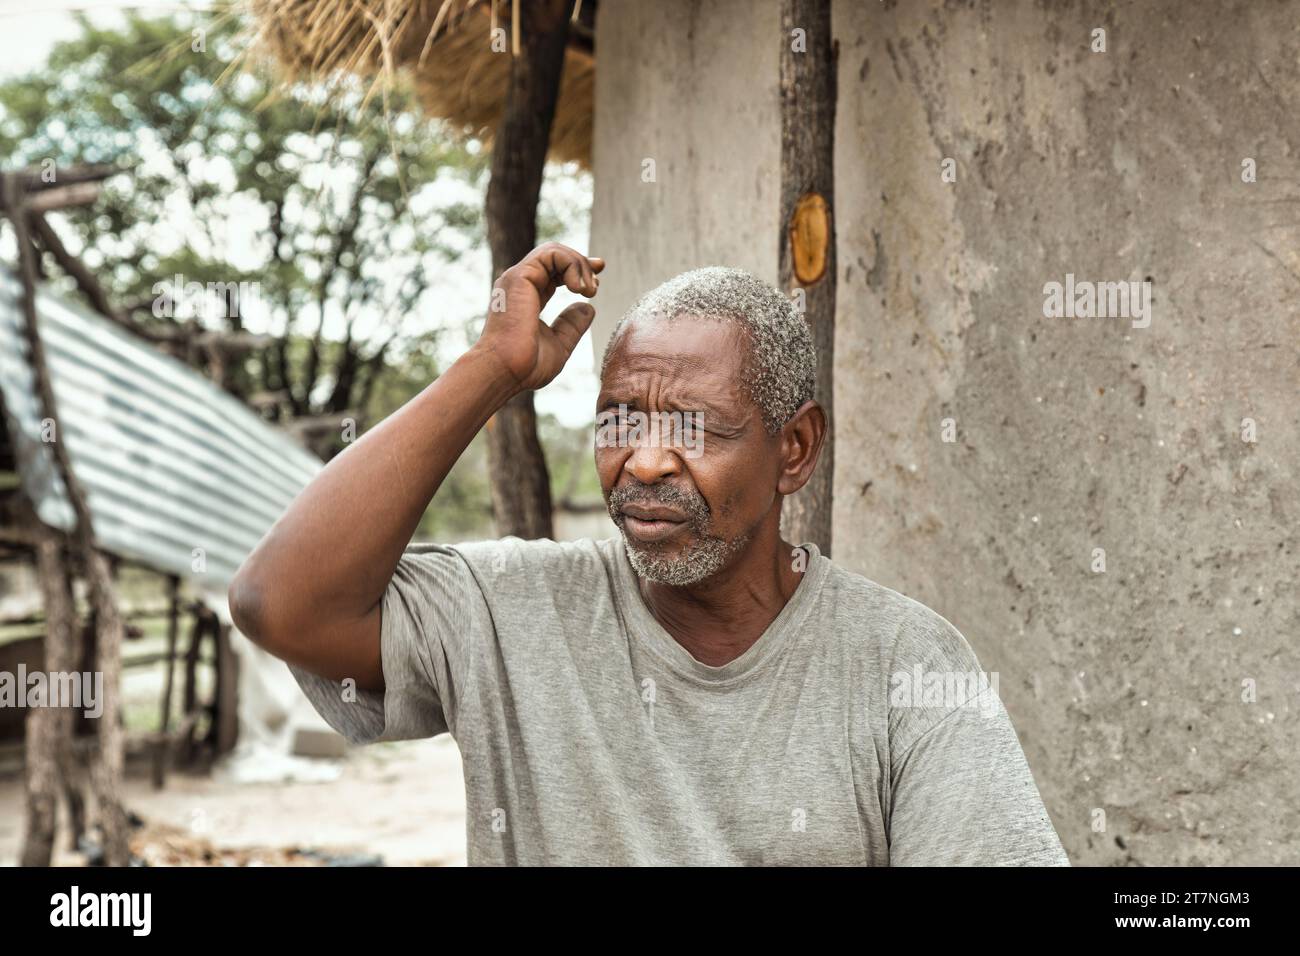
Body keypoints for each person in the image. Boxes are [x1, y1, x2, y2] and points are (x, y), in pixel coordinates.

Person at [229, 242, 1069, 866]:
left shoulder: (901, 663)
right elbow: (281, 602)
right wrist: (493, 367)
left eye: (695, 427)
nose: (646, 460)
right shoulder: (514, 612)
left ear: (795, 449)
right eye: (621, 422)